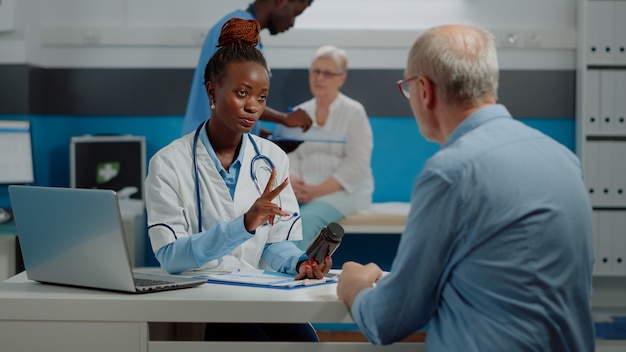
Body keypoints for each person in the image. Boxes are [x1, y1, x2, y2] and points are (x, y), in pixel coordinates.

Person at [336, 24, 595, 351]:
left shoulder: (450, 173)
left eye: (407, 88)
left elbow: (388, 319)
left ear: (424, 90)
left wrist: (354, 287)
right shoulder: (563, 159)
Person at [145, 18, 330, 341]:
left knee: (305, 342)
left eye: (261, 97)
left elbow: (274, 246)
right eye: (242, 93)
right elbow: (171, 257)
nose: (253, 107)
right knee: (250, 342)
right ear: (213, 91)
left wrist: (299, 263)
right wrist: (244, 224)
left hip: (258, 292)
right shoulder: (168, 164)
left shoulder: (273, 159)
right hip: (205, 299)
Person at [181, 0, 314, 137]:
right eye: (295, 14)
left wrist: (264, 137)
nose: (292, 23)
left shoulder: (238, 25)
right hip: (212, 145)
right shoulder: (238, 30)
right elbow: (235, 97)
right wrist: (284, 118)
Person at [287, 45, 374, 250]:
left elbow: (356, 165)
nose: (320, 78)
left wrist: (316, 191)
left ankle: (296, 277)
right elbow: (290, 157)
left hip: (346, 191)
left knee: (305, 221)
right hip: (303, 191)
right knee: (280, 218)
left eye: (327, 73)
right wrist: (294, 182)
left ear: (341, 78)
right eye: (316, 71)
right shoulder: (300, 112)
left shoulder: (354, 113)